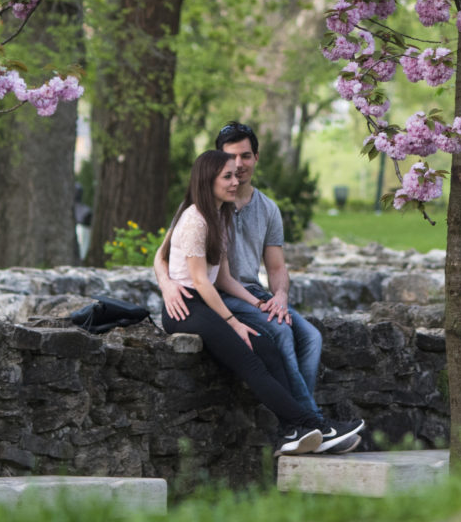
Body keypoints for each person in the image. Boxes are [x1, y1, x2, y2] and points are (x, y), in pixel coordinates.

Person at [153, 151, 362, 457]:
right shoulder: (194, 220)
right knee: (250, 358)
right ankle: (308, 424)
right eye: (227, 176)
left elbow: (222, 279)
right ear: (207, 180)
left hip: (207, 300)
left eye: (236, 175)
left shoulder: (220, 216)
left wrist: (258, 302)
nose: (235, 181)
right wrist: (233, 323)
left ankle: (292, 431)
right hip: (187, 308)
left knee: (266, 347)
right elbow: (199, 282)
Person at [209, 121, 356, 454]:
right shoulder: (209, 203)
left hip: (254, 293)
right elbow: (208, 272)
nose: (239, 164)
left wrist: (280, 296)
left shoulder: (267, 209)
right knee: (283, 331)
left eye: (246, 156)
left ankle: (302, 430)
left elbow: (276, 268)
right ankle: (308, 423)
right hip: (222, 296)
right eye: (231, 157)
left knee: (312, 337)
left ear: (256, 157)